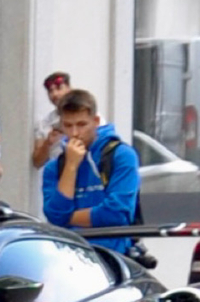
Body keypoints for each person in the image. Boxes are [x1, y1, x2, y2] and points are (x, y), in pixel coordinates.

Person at [40, 88, 141, 254]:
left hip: (112, 255)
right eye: (68, 125)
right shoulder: (54, 167)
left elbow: (117, 213)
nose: (75, 133)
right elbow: (54, 215)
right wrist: (71, 166)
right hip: (69, 254)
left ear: (95, 121)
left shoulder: (121, 155)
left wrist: (68, 218)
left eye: (81, 125)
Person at [28, 70, 74, 169]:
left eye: (58, 88)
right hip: (56, 177)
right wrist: (48, 143)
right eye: (50, 91)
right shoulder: (44, 123)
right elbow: (37, 162)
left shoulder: (87, 115)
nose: (55, 94)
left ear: (69, 89)